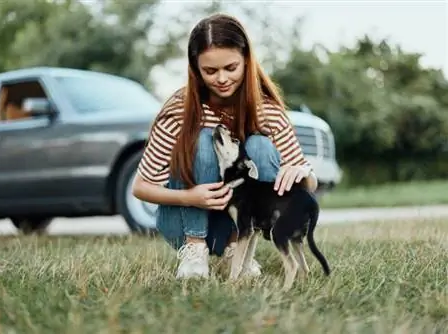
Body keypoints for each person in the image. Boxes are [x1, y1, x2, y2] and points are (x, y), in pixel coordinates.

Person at [132, 13, 318, 279]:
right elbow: (141, 186)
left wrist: (303, 174)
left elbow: (307, 187)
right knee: (206, 139)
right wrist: (189, 196)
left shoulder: (267, 111)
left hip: (238, 223)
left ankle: (238, 249)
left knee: (260, 146)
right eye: (210, 71)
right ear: (195, 69)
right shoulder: (178, 110)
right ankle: (194, 251)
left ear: (246, 61)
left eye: (230, 68)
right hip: (184, 219)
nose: (221, 79)